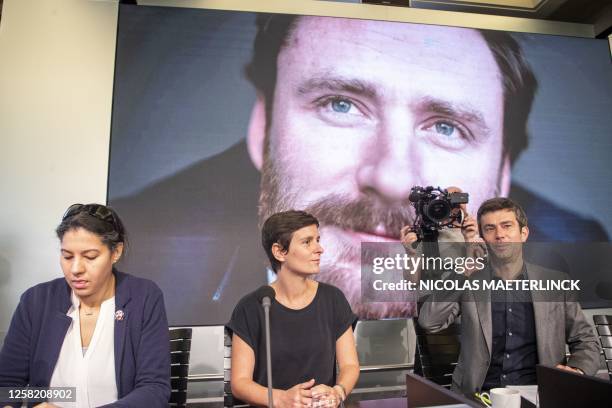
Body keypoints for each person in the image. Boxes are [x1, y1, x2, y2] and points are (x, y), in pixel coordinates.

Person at [110, 13, 608, 324]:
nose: (392, 178)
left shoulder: (568, 251)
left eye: (447, 127)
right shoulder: (141, 263)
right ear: (261, 123)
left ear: (503, 172)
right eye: (341, 105)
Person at [415, 197, 600, 397]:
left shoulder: (556, 283)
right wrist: (463, 272)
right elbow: (429, 321)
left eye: (506, 226)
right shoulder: (468, 279)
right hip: (478, 395)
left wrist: (577, 371)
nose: (500, 235)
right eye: (490, 228)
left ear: (523, 233)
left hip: (539, 394)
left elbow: (586, 341)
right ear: (483, 237)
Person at [0, 204, 170, 408]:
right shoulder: (36, 301)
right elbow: (7, 385)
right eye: (67, 256)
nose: (75, 269)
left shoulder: (143, 297)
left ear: (116, 252)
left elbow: (154, 389)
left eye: (90, 257)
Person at [226, 210, 359, 407]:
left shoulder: (333, 299)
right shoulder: (252, 307)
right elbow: (240, 383)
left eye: (318, 239)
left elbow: (350, 365)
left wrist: (337, 392)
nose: (319, 248)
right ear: (279, 252)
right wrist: (282, 399)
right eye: (307, 242)